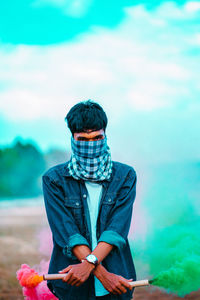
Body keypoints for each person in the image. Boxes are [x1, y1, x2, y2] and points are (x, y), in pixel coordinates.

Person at [42, 100, 137, 300]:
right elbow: (67, 232)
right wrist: (102, 273)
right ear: (72, 138)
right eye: (83, 139)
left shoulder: (125, 176)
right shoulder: (53, 179)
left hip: (116, 282)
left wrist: (88, 264)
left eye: (97, 137)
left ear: (105, 135)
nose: (91, 144)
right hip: (74, 284)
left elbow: (117, 229)